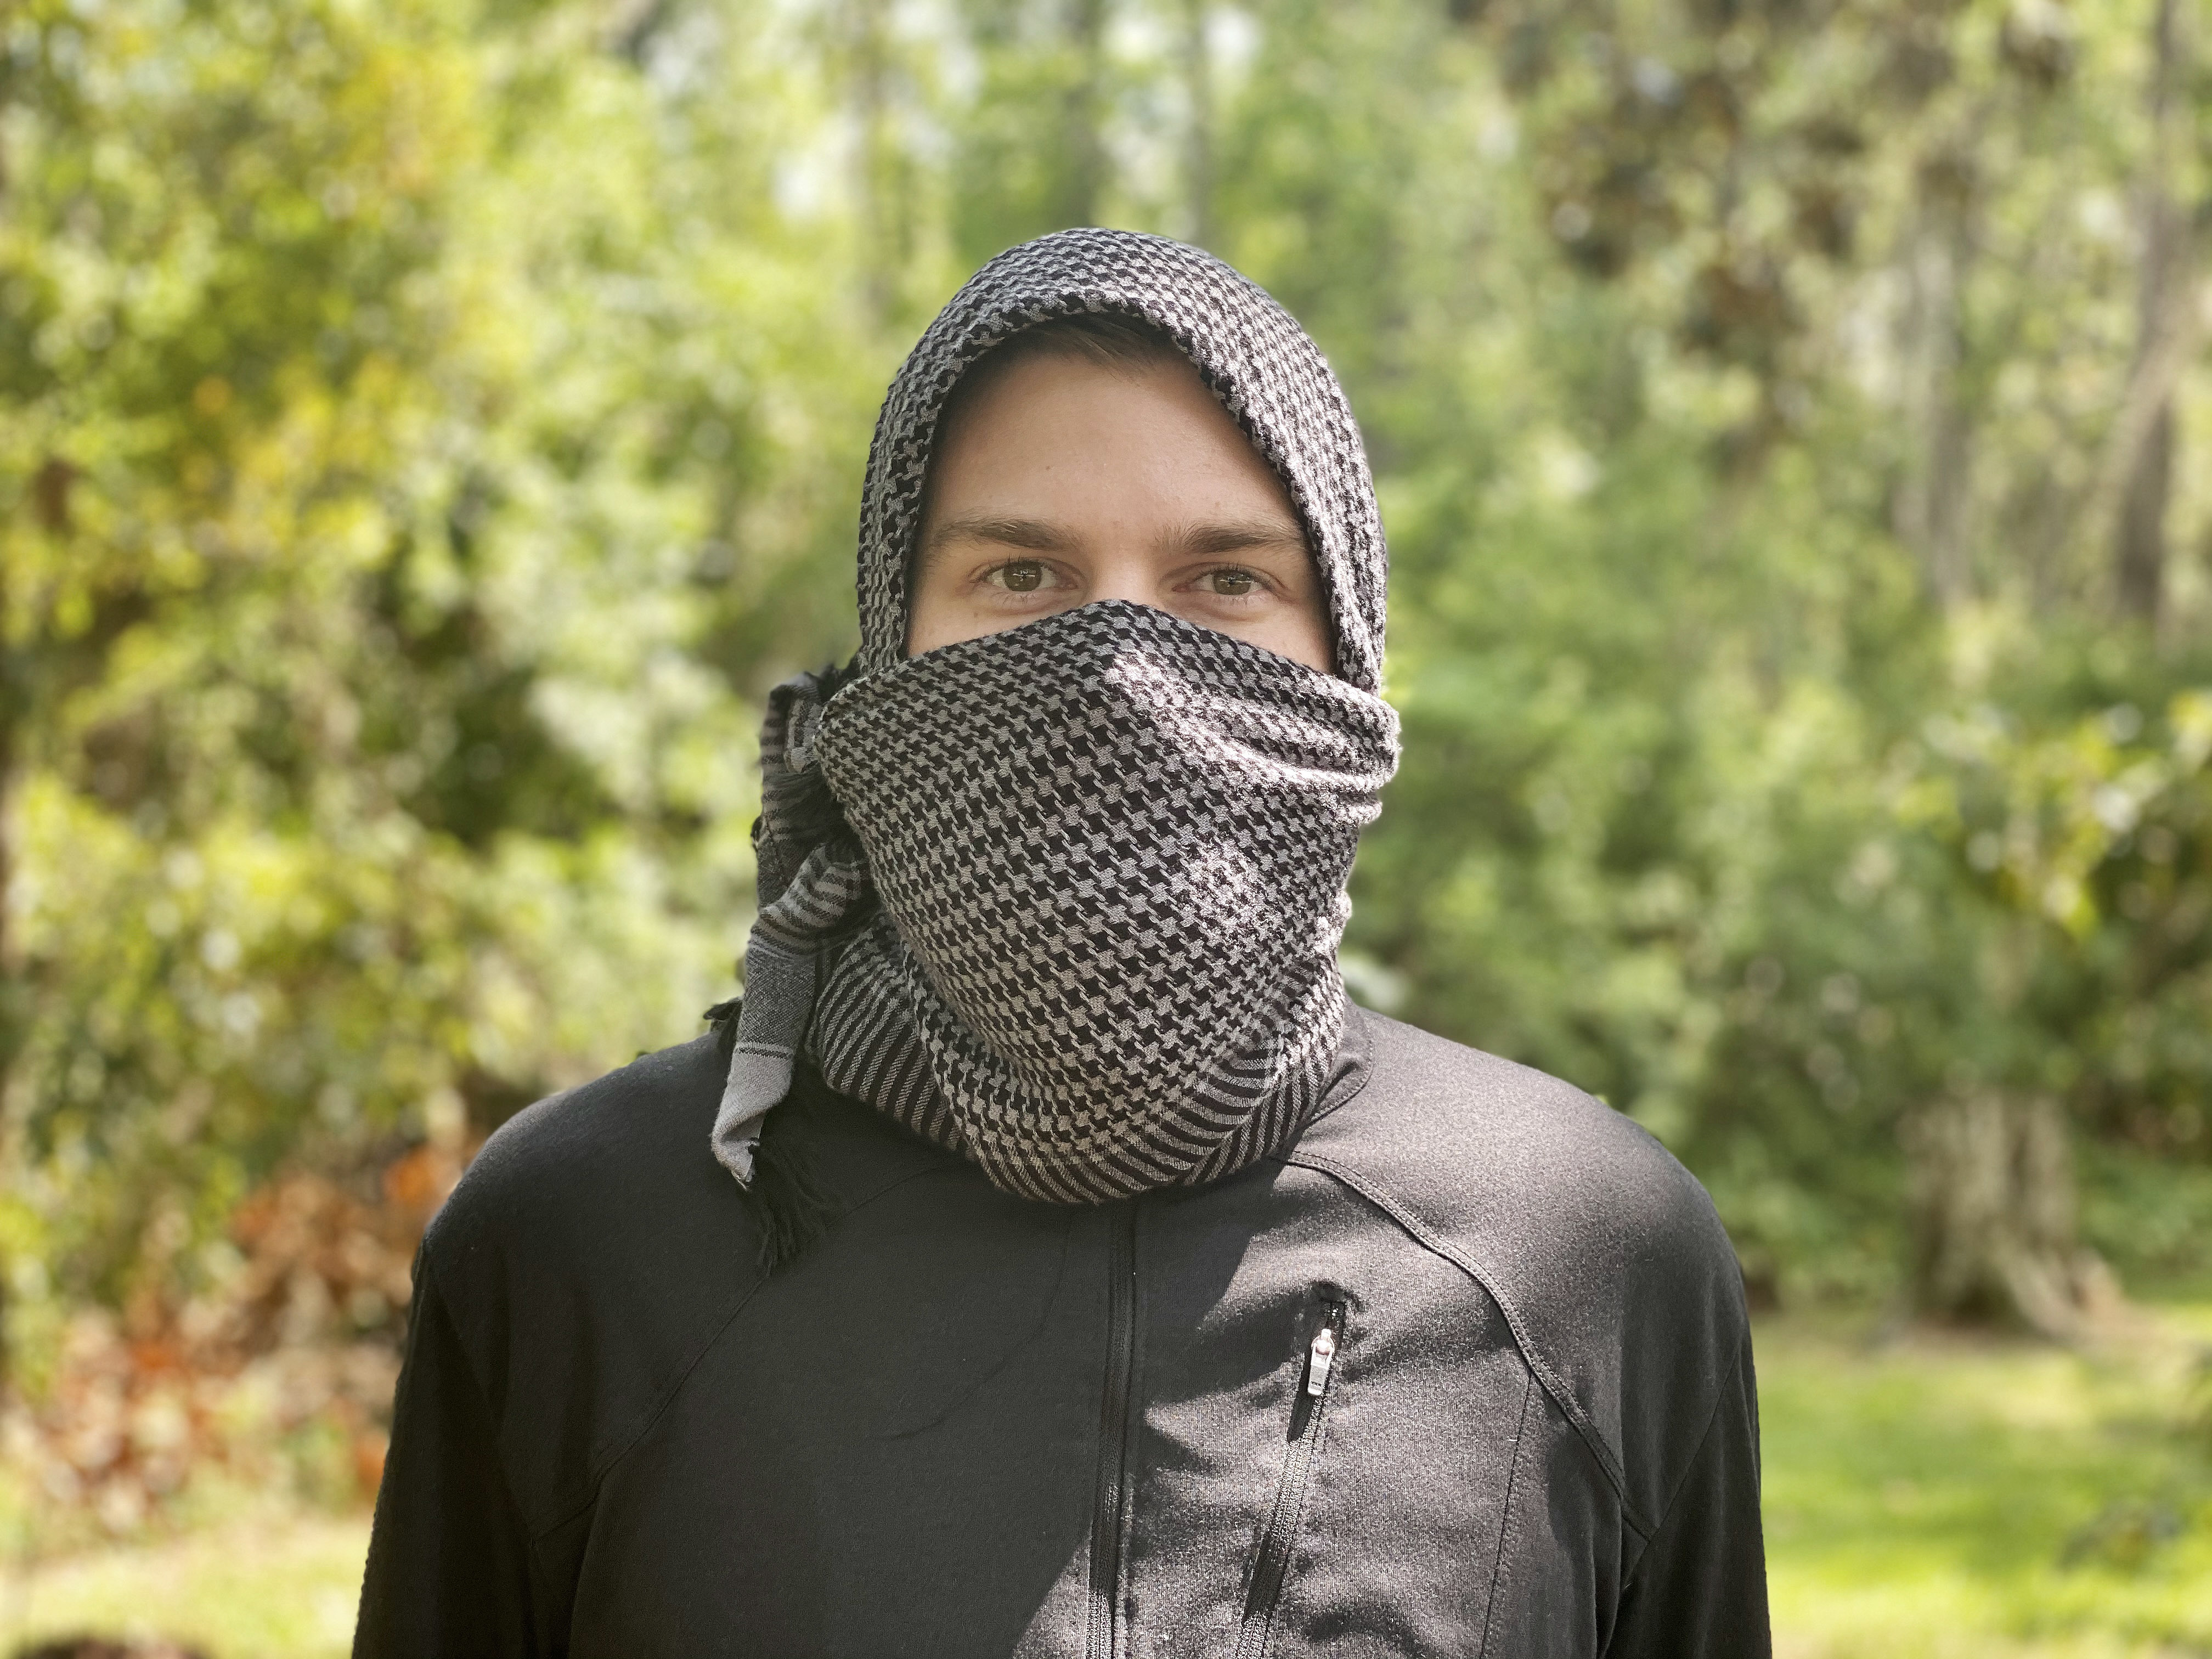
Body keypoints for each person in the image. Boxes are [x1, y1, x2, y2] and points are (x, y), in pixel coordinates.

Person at [354, 228, 1769, 1658]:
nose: (1121, 678)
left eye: (1224, 582)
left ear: (1348, 661)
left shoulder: (1595, 1257)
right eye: (1022, 575)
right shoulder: (578, 1247)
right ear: (891, 648)